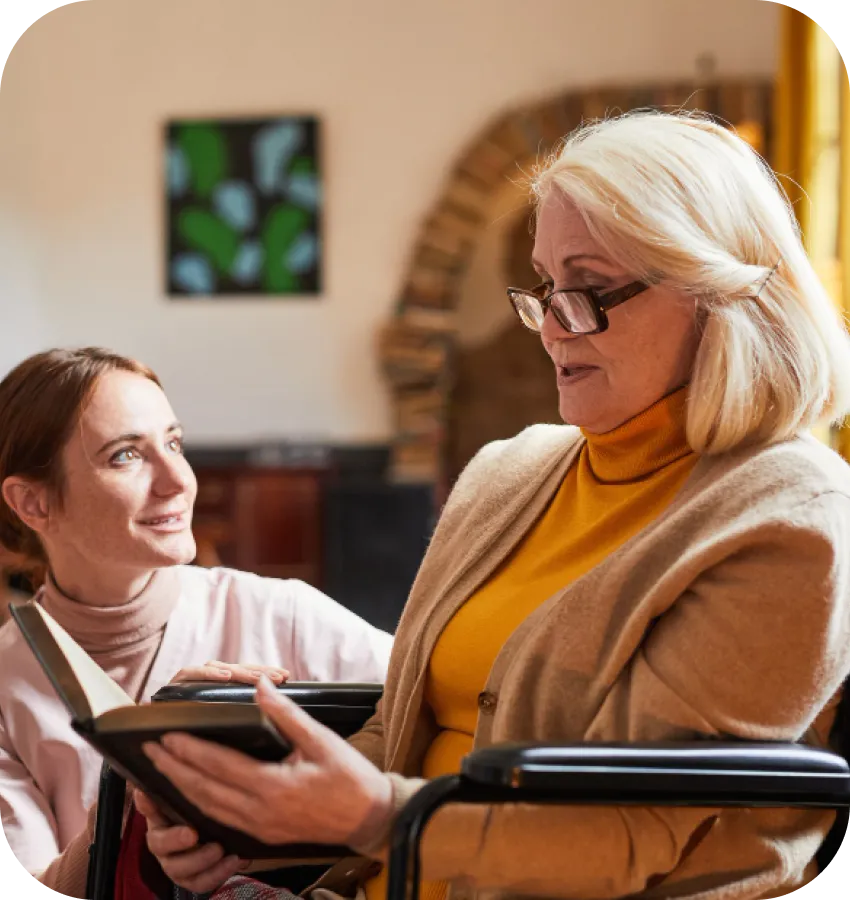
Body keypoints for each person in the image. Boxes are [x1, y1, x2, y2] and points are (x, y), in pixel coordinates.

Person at [139, 109, 850, 900]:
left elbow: (629, 835)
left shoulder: (791, 515)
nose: (549, 327)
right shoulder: (507, 472)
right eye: (546, 286)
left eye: (589, 291)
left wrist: (370, 815)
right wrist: (248, 805)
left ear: (717, 294)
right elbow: (399, 741)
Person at [0, 348, 393, 900]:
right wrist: (150, 776)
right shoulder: (6, 681)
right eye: (124, 456)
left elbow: (442, 713)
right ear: (32, 503)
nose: (178, 480)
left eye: (174, 443)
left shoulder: (285, 613)